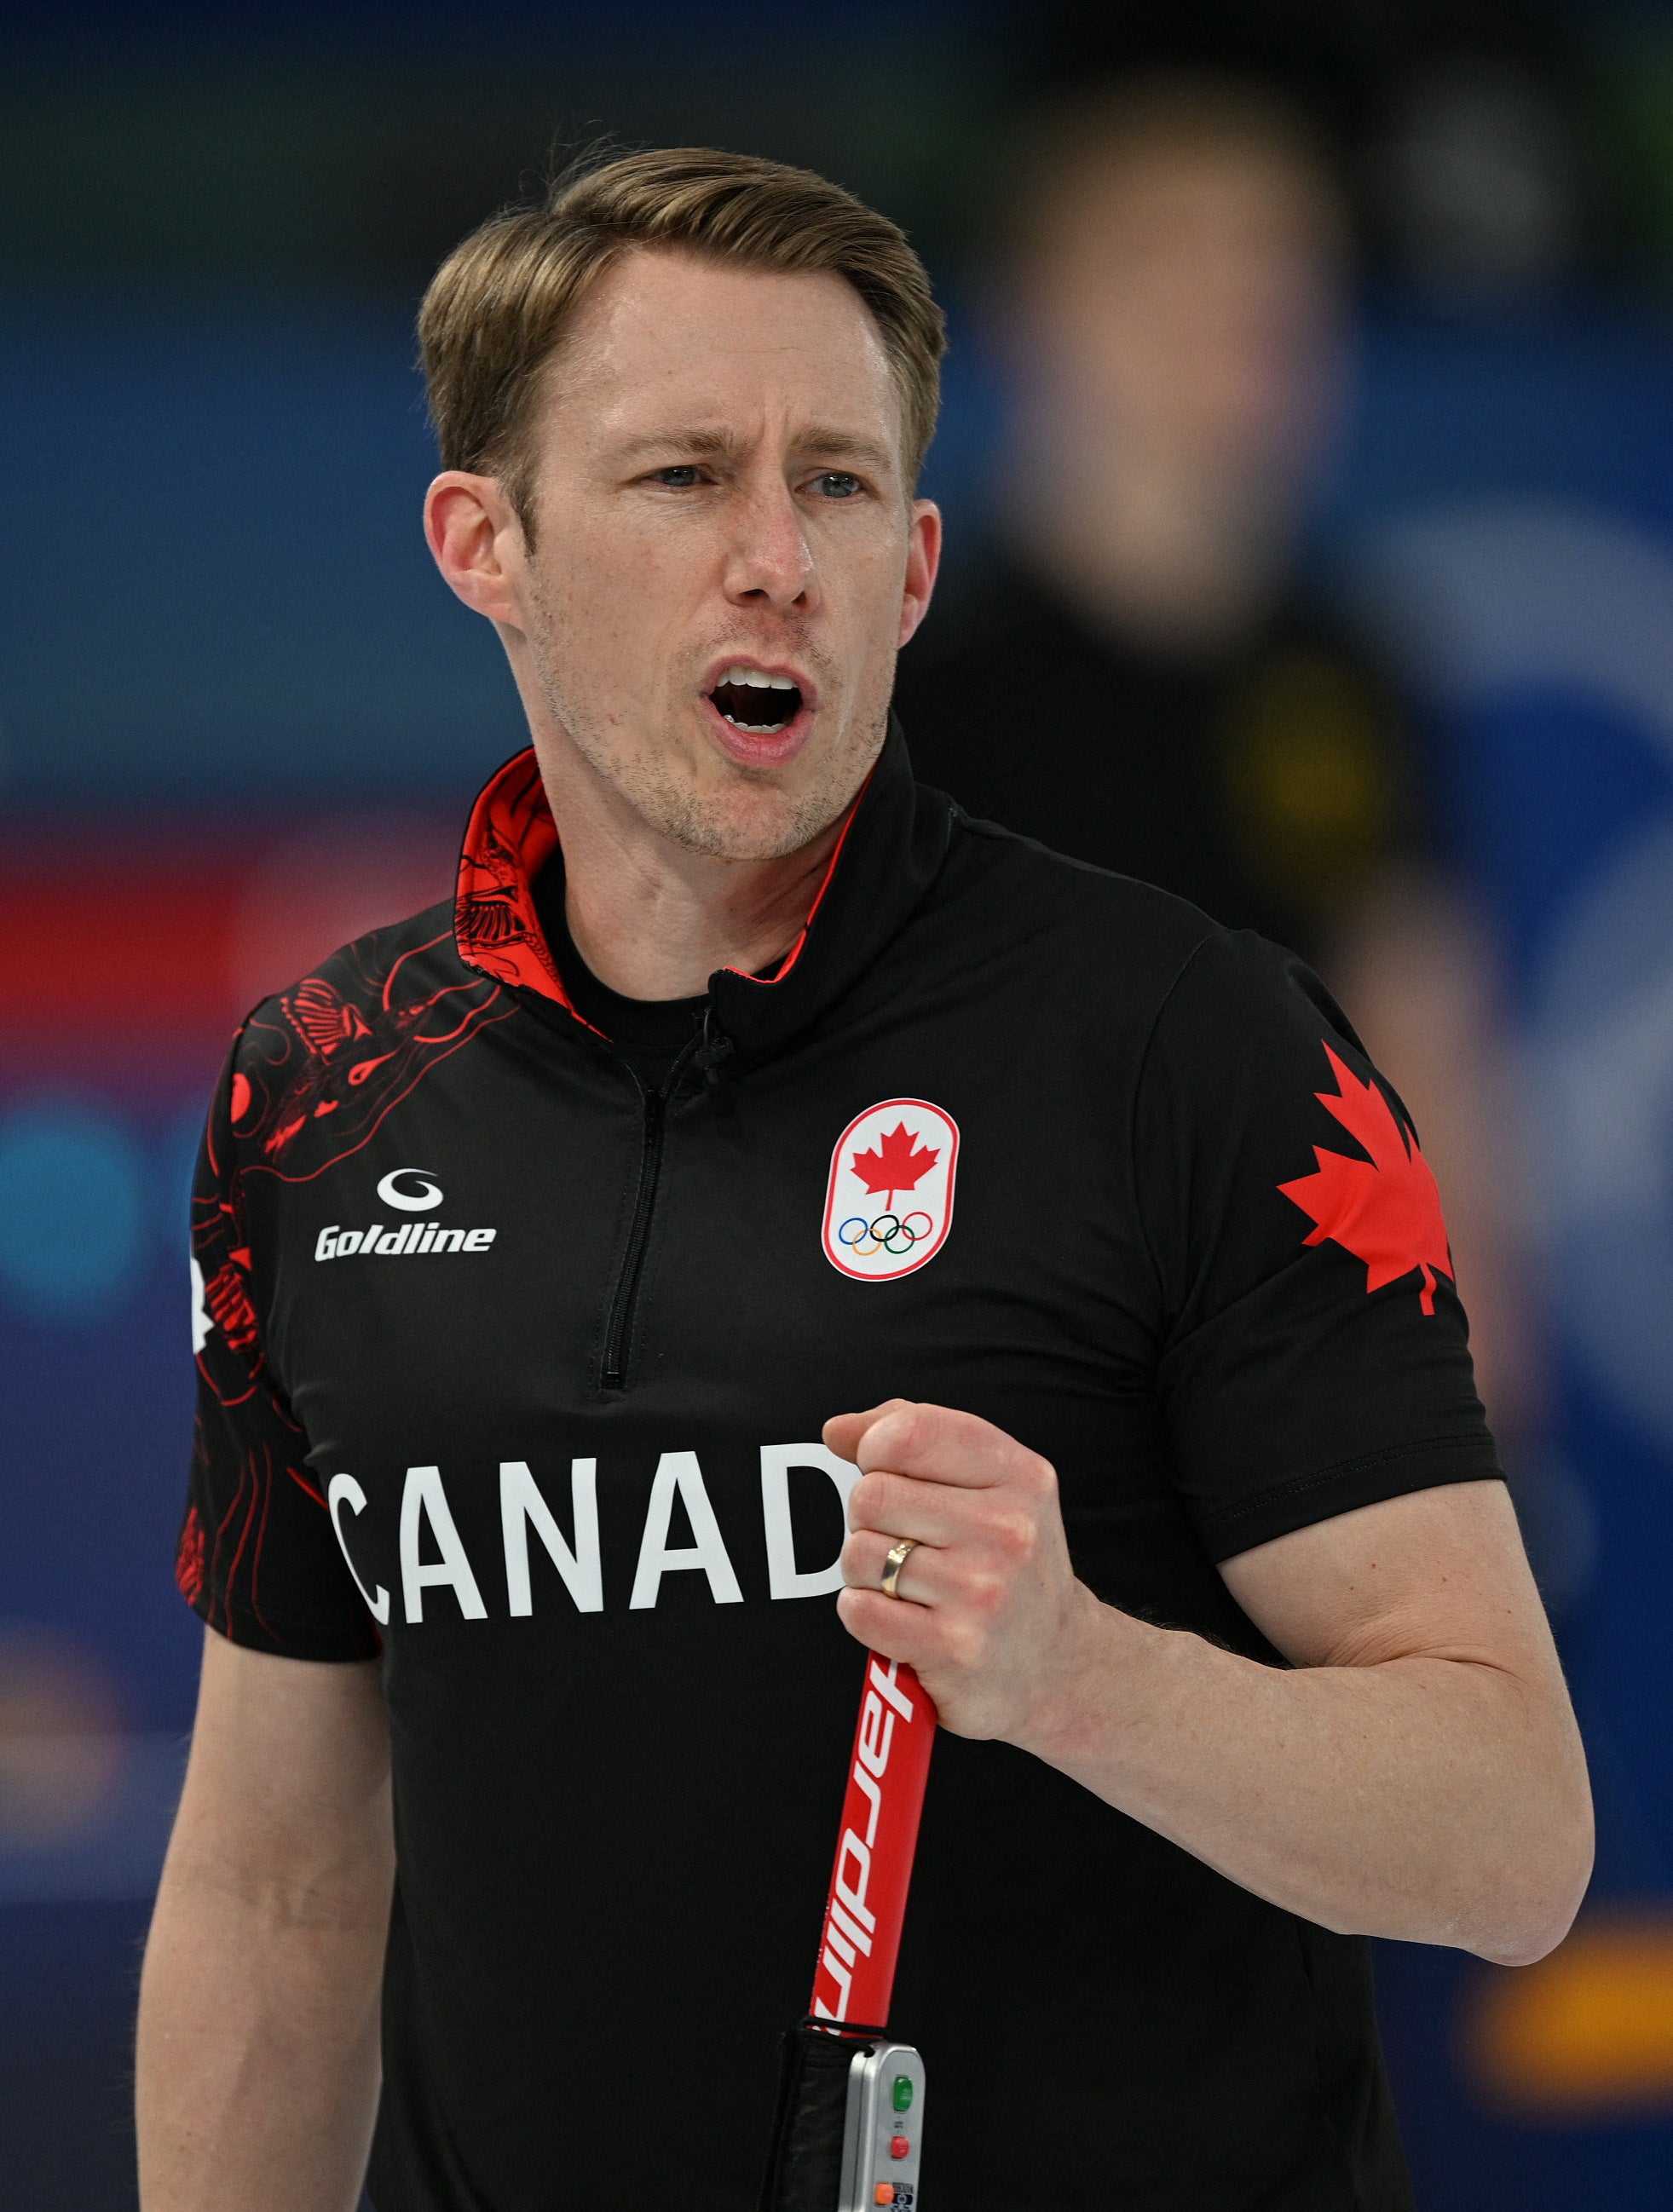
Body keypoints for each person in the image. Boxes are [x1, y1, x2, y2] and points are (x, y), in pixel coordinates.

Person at [135, 147, 1590, 2212]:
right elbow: (279, 1883)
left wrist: (1084, 1668)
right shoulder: (321, 1099)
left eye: (832, 483)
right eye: (678, 478)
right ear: (488, 540)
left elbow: (1515, 1835)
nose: (774, 556)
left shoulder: (1188, 1041)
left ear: (911, 569)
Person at [895, 71, 1541, 1439]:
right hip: (1022, 1413)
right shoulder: (905, 688)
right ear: (1038, 317)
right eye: (1177, 280)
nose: (1247, 331)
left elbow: (1417, 1035)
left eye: (1284, 285)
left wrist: (1483, 1409)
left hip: (1306, 1404)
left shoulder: (1341, 670)